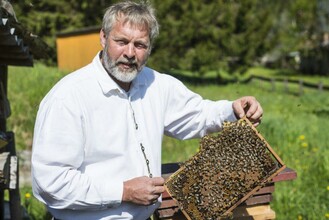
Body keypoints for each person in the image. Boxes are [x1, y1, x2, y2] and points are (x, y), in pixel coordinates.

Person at [31, 1, 263, 219]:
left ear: (150, 47)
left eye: (140, 45)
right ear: (103, 37)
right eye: (121, 41)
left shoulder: (157, 84)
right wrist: (123, 191)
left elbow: (196, 114)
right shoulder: (69, 97)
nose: (130, 53)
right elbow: (50, 181)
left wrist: (232, 110)